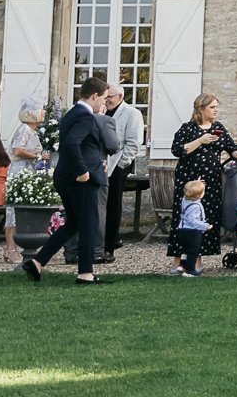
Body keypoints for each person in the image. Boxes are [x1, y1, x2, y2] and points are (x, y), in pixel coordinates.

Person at [25, 76, 115, 283]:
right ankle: (85, 273)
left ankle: (37, 262)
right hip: (79, 180)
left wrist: (96, 163)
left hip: (67, 176)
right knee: (89, 224)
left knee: (74, 223)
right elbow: (72, 144)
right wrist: (83, 171)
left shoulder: (73, 113)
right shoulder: (85, 116)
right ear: (94, 96)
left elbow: (83, 147)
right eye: (104, 98)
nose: (105, 102)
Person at [170, 94, 237, 242]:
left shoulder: (218, 127)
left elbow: (231, 147)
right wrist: (200, 141)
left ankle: (205, 251)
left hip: (211, 180)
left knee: (209, 215)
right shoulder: (187, 128)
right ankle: (185, 250)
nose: (216, 110)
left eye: (216, 107)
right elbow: (177, 150)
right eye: (212, 107)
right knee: (188, 214)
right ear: (201, 109)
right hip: (189, 180)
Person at [100, 89, 145, 264]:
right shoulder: (101, 111)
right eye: (105, 97)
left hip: (117, 165)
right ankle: (100, 242)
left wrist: (121, 164)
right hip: (100, 165)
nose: (106, 100)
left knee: (113, 204)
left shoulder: (132, 113)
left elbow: (134, 143)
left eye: (109, 97)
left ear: (120, 96)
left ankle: (109, 245)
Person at [171, 178, 210, 277]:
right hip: (192, 232)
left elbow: (192, 191)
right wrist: (205, 226)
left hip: (182, 230)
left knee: (185, 249)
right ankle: (190, 271)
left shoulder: (184, 200)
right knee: (193, 252)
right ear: (199, 195)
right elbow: (193, 221)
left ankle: (182, 265)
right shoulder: (195, 206)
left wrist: (197, 183)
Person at [8, 99, 48, 175]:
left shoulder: (31, 131)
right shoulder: (25, 129)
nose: (44, 112)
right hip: (20, 169)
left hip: (27, 167)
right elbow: (18, 151)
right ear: (32, 114)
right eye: (41, 110)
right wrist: (38, 156)